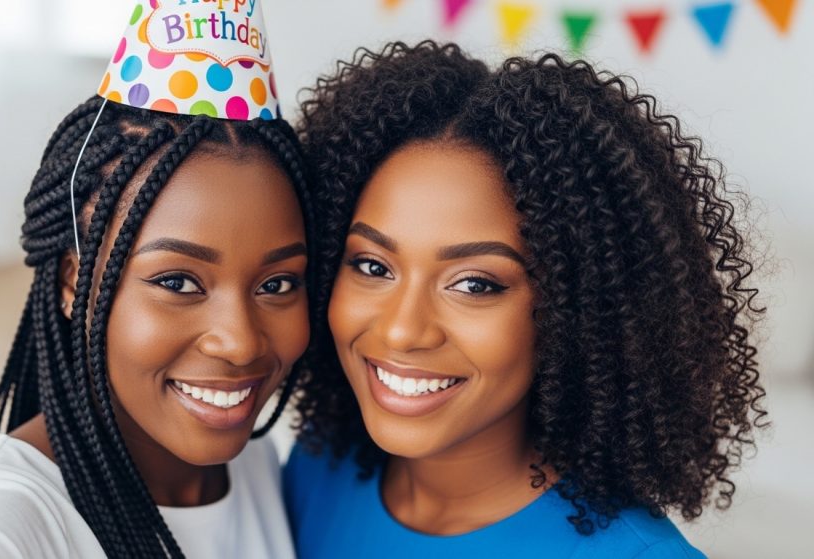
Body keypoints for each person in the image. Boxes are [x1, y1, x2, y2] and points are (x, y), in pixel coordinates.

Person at [285, 40, 765, 558]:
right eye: (373, 266)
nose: (403, 330)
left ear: (575, 314)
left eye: (475, 284)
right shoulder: (318, 467)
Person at [0, 2, 314, 556]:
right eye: (179, 282)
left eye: (277, 284)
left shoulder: (255, 460)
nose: (240, 343)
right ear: (72, 280)